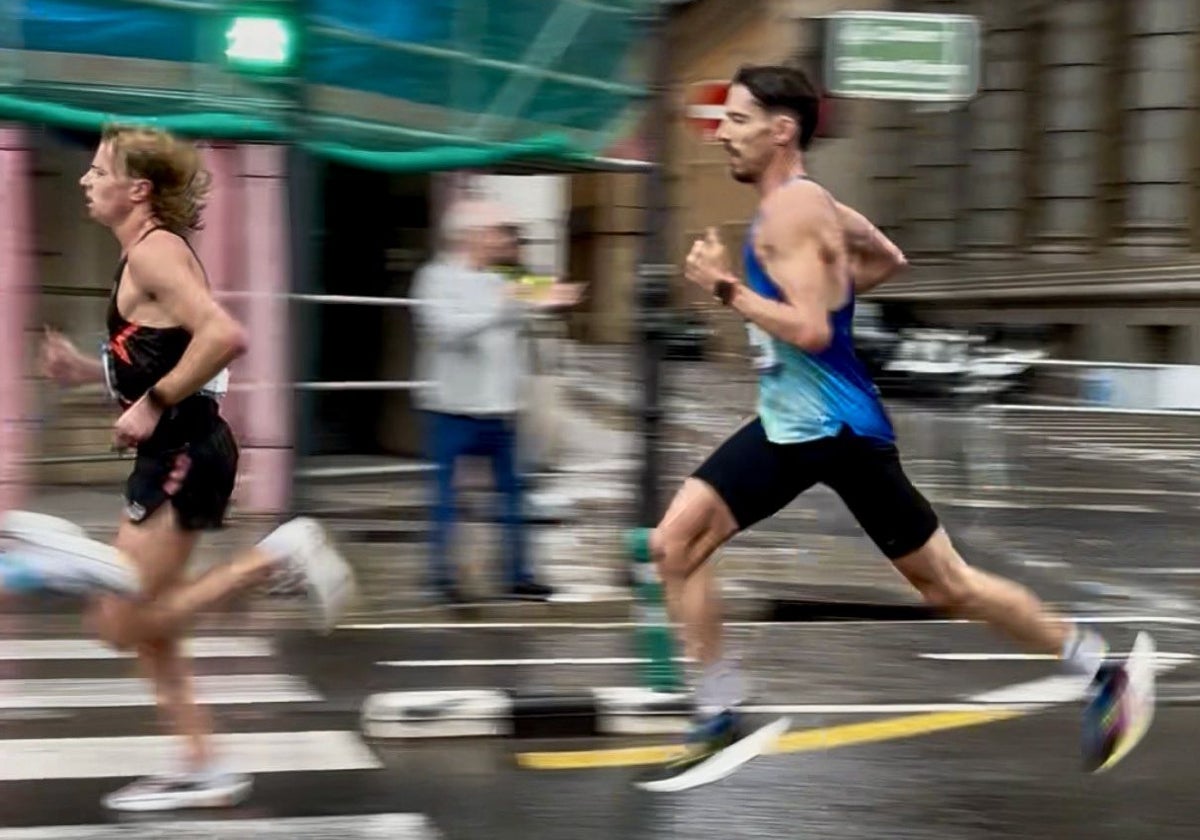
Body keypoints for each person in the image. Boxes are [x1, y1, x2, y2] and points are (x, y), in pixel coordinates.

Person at [638, 65, 1149, 788]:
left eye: (740, 119)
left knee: (943, 586)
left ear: (782, 130)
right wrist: (829, 290)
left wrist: (727, 289)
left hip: (829, 428)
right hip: (800, 421)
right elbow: (887, 259)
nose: (724, 132)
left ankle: (1106, 673)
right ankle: (719, 713)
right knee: (680, 543)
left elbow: (812, 332)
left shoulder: (790, 211)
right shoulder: (813, 206)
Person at [25, 124, 356, 811]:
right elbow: (163, 354)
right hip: (177, 451)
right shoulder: (142, 256)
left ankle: (278, 557)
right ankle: (203, 763)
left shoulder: (155, 256)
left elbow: (223, 337)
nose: (85, 181)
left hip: (182, 453)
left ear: (136, 189)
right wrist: (88, 372)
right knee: (145, 627)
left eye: (98, 171)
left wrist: (152, 404)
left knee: (121, 623)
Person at [412, 200, 575, 604]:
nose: (502, 239)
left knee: (514, 494)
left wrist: (551, 297)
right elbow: (448, 330)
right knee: (446, 496)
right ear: (468, 236)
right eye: (494, 231)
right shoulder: (435, 278)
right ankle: (441, 577)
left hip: (501, 411)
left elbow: (536, 308)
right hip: (451, 408)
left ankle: (519, 575)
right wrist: (504, 304)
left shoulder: (503, 278)